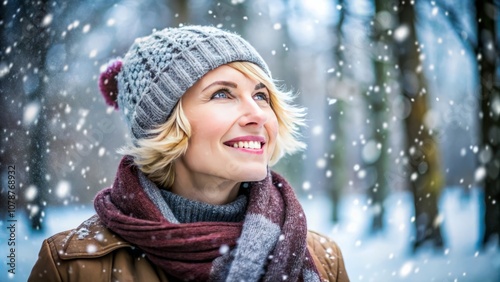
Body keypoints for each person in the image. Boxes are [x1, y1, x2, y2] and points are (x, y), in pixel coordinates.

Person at [29, 25, 349, 282]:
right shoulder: (75, 265)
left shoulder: (322, 257)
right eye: (223, 94)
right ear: (164, 124)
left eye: (261, 95)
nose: (258, 114)